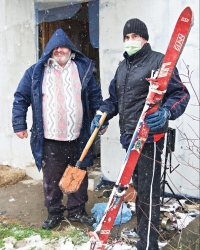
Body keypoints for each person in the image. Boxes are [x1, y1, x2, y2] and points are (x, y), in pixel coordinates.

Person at [90, 18, 190, 250]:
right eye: (126, 38)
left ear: (144, 39)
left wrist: (166, 112)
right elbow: (115, 100)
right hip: (130, 139)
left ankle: (148, 243)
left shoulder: (159, 62)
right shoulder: (123, 67)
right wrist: (102, 113)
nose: (130, 41)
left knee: (149, 193)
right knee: (138, 189)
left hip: (150, 139)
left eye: (135, 36)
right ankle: (143, 230)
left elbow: (181, 95)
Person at [12, 28, 103, 229]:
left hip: (79, 136)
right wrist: (19, 124)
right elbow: (20, 98)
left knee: (78, 174)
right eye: (56, 46)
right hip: (50, 138)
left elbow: (96, 97)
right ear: (50, 50)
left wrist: (100, 121)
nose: (60, 50)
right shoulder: (36, 71)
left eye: (64, 46)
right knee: (52, 178)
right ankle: (54, 212)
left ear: (71, 50)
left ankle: (77, 210)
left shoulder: (82, 69)